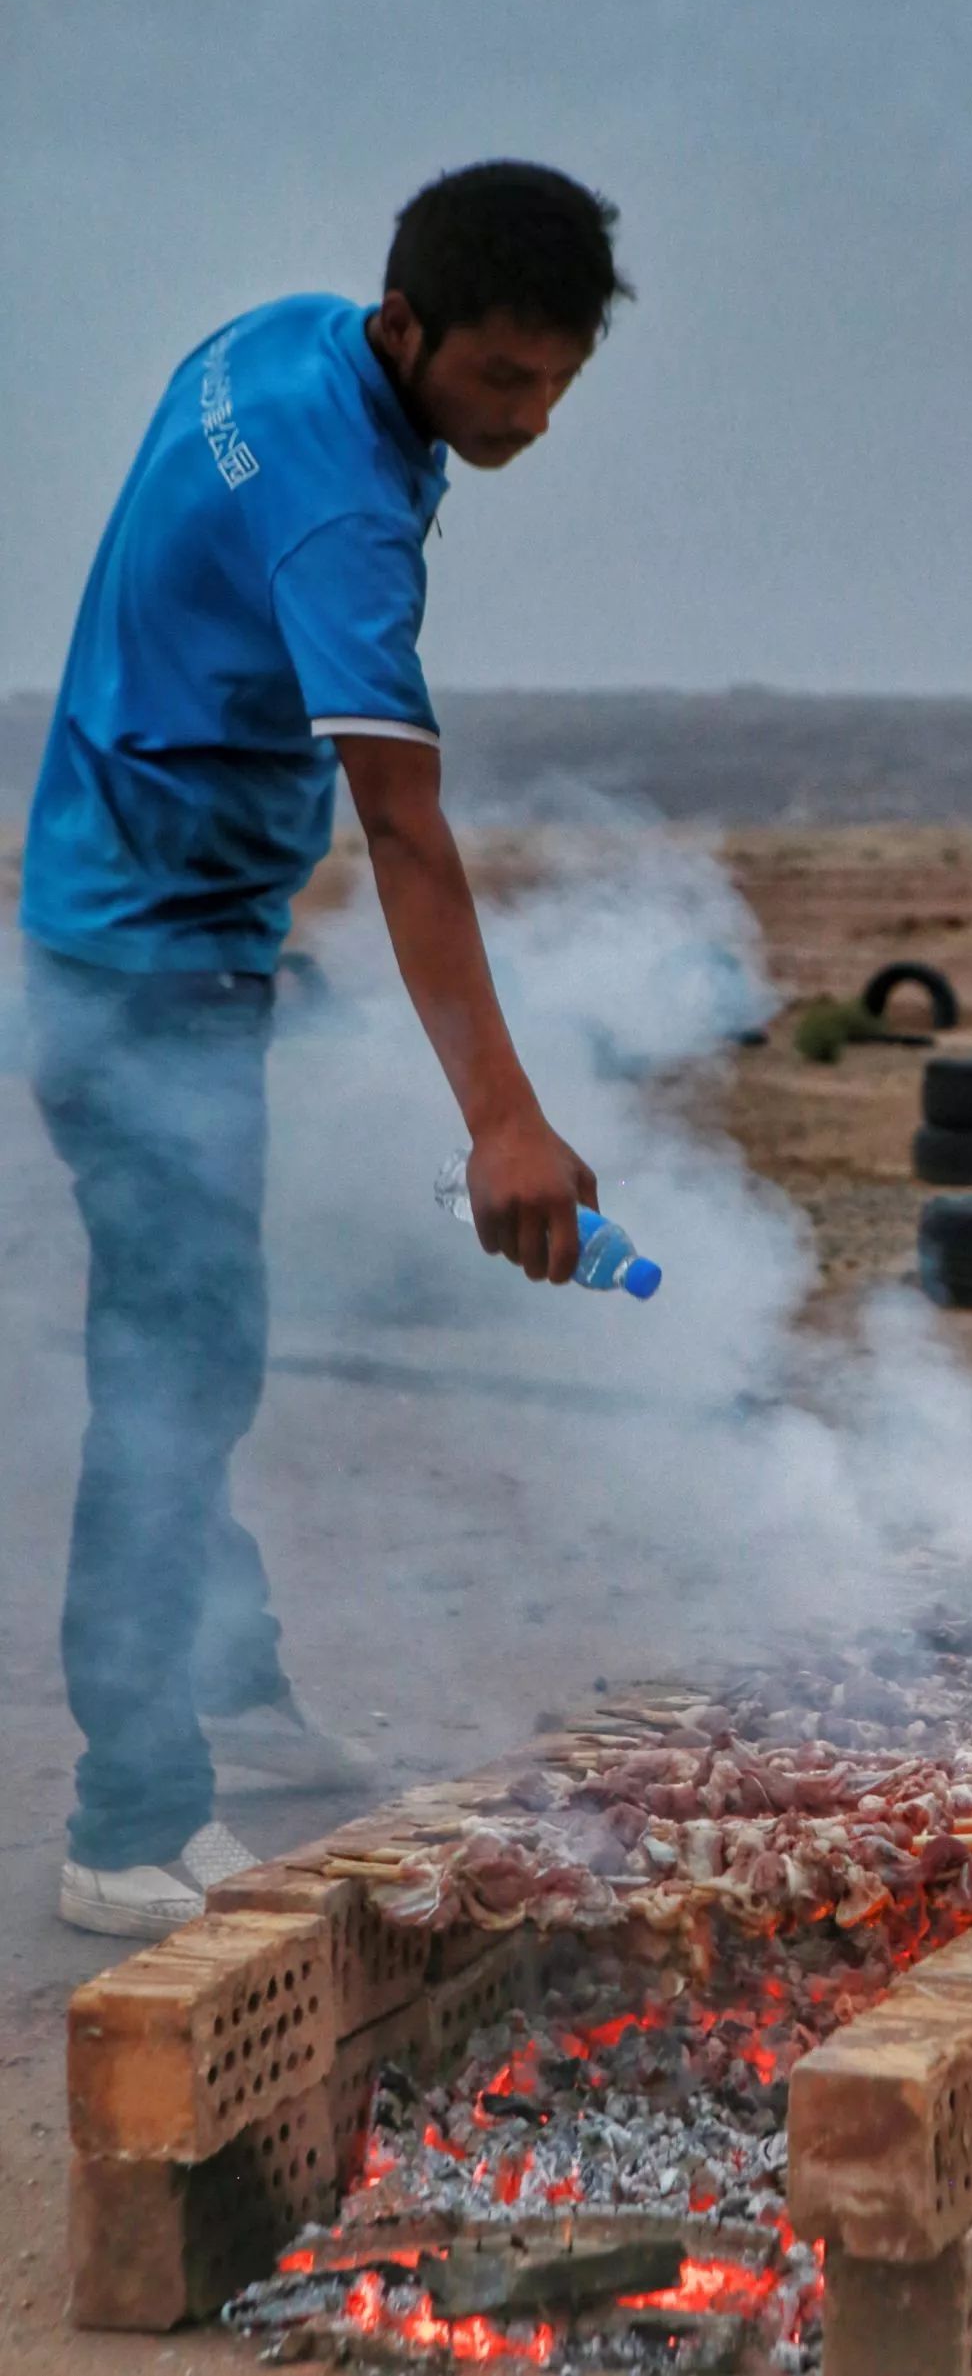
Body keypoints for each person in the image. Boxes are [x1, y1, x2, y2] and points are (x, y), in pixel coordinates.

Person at [21, 161, 632, 1936]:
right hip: (152, 959)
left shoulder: (274, 342)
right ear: (409, 328)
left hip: (116, 908)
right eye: (501, 382)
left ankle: (227, 1689)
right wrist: (505, 1120)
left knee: (181, 1331)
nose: (528, 421)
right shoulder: (345, 513)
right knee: (182, 1364)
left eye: (558, 385)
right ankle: (129, 1820)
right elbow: (408, 825)